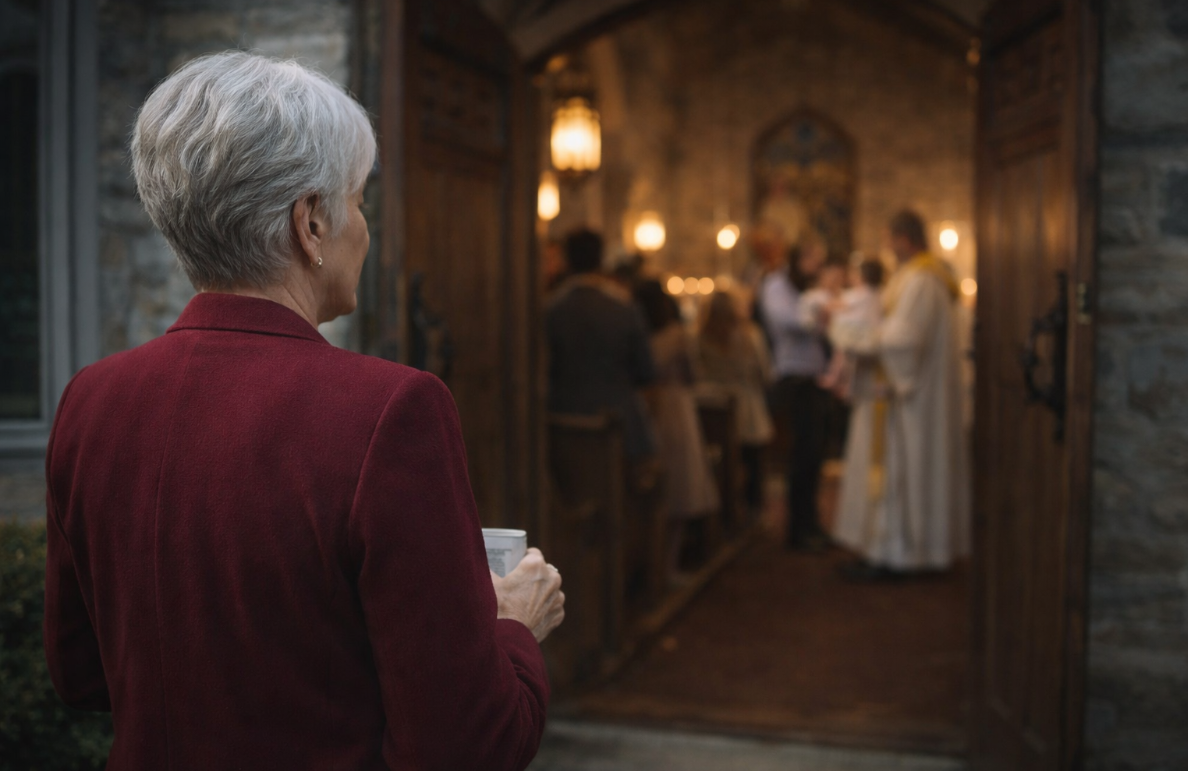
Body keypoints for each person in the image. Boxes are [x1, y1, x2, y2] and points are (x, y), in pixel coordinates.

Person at [42, 52, 564, 771]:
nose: (364, 226)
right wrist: (512, 629)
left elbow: (81, 673)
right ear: (311, 223)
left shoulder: (90, 398)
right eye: (357, 200)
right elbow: (468, 746)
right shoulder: (391, 410)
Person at [836, 210, 971, 580]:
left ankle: (900, 554)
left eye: (889, 240)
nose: (888, 249)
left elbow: (903, 339)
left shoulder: (923, 281)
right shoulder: (918, 277)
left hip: (910, 402)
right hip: (905, 396)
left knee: (902, 474)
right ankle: (888, 551)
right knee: (896, 473)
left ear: (904, 239)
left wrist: (853, 336)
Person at [546, 230, 657, 463]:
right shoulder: (623, 307)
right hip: (622, 423)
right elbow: (646, 371)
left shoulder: (552, 310)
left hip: (566, 423)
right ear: (600, 259)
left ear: (567, 259)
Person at [635, 280, 719, 575]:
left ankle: (649, 566)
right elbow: (694, 375)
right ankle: (668, 566)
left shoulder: (640, 335)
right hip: (675, 409)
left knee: (653, 491)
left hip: (644, 408)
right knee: (680, 487)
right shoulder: (678, 335)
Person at [758, 240, 831, 551]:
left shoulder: (807, 287)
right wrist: (819, 315)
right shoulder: (777, 285)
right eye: (815, 259)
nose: (818, 267)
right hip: (794, 380)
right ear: (800, 257)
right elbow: (787, 321)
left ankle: (811, 522)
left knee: (815, 457)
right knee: (800, 456)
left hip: (814, 377)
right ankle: (798, 529)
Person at [698, 290, 774, 517]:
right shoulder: (751, 335)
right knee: (753, 467)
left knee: (724, 469)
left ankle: (725, 515)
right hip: (748, 408)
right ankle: (753, 514)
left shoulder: (701, 336)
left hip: (714, 408)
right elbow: (765, 373)